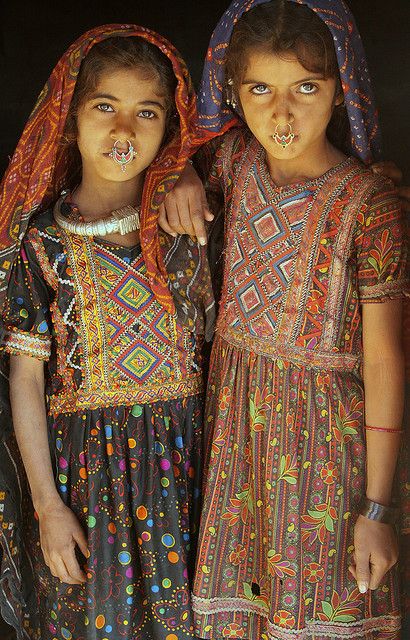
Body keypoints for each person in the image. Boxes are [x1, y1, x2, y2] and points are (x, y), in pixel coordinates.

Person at [161, 1, 408, 638]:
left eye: (306, 87)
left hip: (330, 453)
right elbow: (177, 165)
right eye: (260, 90)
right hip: (237, 436)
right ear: (234, 96)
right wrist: (180, 172)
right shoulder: (233, 164)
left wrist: (378, 505)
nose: (283, 113)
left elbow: (386, 358)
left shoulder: (370, 204)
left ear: (341, 86)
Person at [0, 24, 217, 640]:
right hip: (87, 480)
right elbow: (25, 378)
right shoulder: (42, 243)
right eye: (105, 107)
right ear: (69, 120)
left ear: (170, 129)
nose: (124, 131)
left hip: (189, 465)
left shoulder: (191, 225)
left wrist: (190, 175)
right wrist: (47, 505)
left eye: (147, 113)